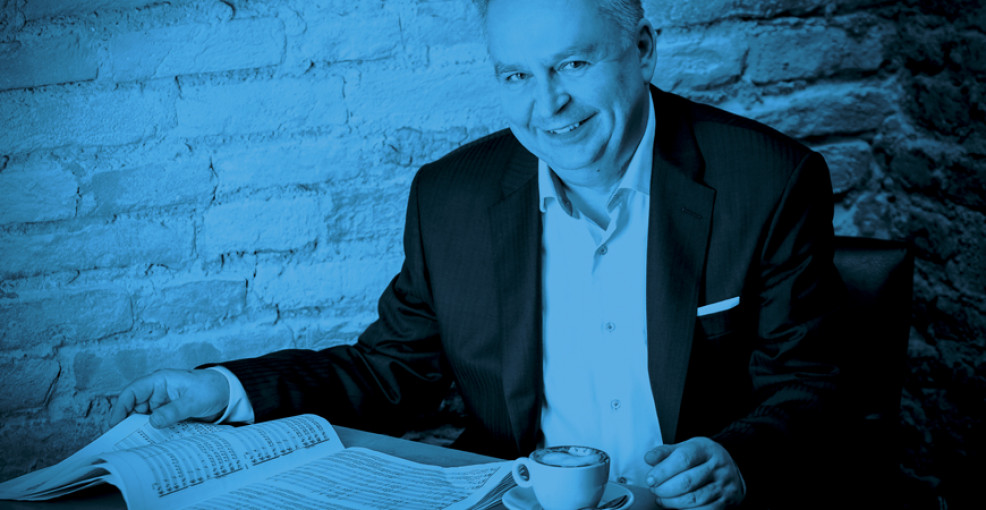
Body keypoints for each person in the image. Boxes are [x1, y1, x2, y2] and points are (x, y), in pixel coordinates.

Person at [111, 0, 846, 508]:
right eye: (517, 76)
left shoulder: (768, 180)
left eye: (573, 64)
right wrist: (225, 390)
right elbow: (391, 371)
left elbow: (809, 382)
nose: (547, 106)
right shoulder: (451, 197)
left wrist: (739, 457)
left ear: (644, 49)